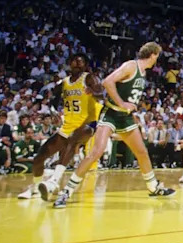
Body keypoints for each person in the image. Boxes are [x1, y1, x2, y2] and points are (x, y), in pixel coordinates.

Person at [53, 42, 175, 207]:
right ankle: (66, 191)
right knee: (96, 152)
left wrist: (127, 107)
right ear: (152, 54)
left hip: (125, 118)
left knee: (142, 152)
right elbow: (107, 82)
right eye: (157, 56)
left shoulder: (143, 72)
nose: (157, 60)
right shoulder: (131, 66)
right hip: (111, 113)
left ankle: (153, 187)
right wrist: (122, 103)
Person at [18, 53, 103, 200]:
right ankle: (36, 188)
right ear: (69, 64)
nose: (77, 64)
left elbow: (101, 93)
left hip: (88, 123)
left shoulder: (89, 78)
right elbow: (52, 99)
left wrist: (93, 91)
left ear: (85, 65)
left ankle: (54, 181)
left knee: (72, 140)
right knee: (40, 157)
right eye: (74, 62)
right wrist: (53, 111)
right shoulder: (64, 83)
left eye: (80, 62)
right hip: (68, 125)